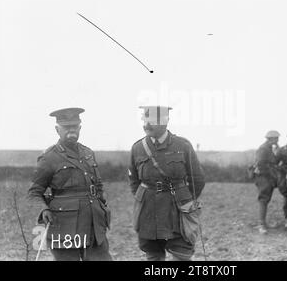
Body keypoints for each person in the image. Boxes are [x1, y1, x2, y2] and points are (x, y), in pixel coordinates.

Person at [28, 108, 112, 261]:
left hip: (93, 223)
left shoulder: (88, 153)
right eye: (67, 127)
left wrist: (103, 205)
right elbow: (34, 192)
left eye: (74, 126)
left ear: (80, 128)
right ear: (57, 129)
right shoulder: (49, 157)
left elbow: (98, 184)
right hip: (65, 226)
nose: (71, 130)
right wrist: (43, 209)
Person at [128, 106, 205, 261]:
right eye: (144, 120)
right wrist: (145, 197)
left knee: (182, 256)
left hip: (177, 210)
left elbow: (197, 179)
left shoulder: (182, 145)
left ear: (165, 122)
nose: (146, 125)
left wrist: (185, 199)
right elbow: (134, 181)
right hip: (149, 211)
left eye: (152, 122)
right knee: (153, 256)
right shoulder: (137, 148)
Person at [252, 130, 280, 234]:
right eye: (276, 138)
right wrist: (270, 175)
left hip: (266, 177)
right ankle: (261, 225)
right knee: (263, 200)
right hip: (263, 178)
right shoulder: (263, 149)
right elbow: (261, 164)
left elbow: (273, 161)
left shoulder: (268, 148)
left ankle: (263, 222)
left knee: (265, 200)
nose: (277, 140)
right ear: (271, 139)